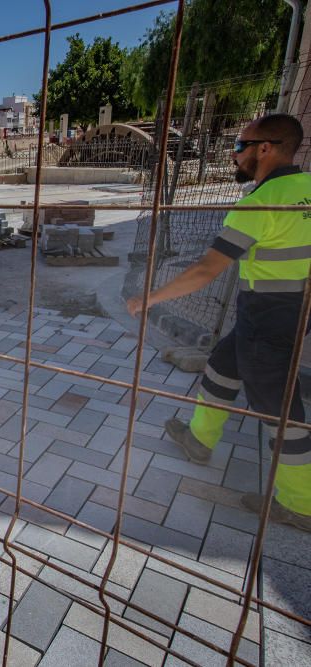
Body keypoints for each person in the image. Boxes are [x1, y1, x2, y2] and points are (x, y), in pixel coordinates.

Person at [127, 113, 311, 531]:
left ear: (265, 149)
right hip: (295, 311)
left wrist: (148, 299)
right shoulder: (308, 189)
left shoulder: (259, 203)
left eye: (240, 146)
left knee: (281, 413)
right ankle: (200, 438)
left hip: (268, 316)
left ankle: (301, 503)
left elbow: (205, 271)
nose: (235, 153)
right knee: (223, 366)